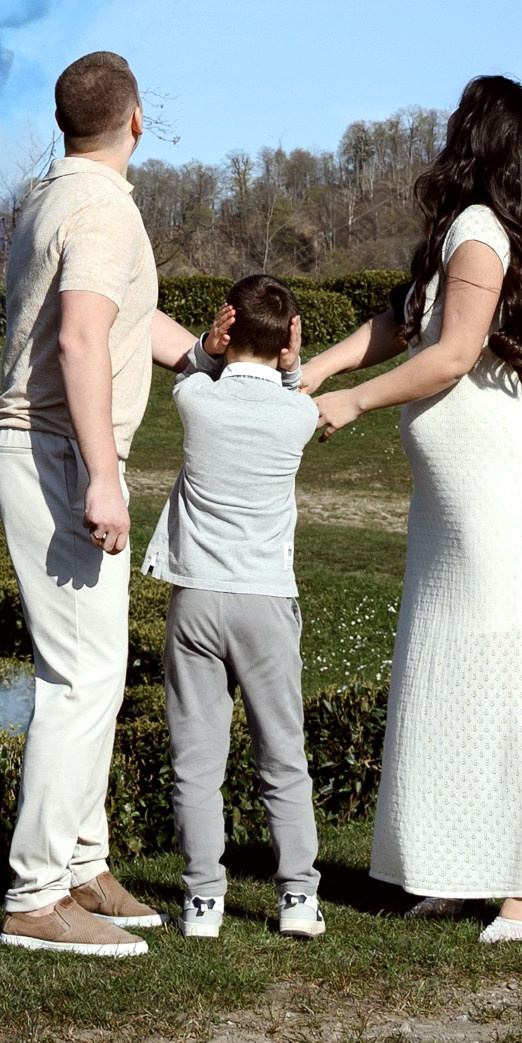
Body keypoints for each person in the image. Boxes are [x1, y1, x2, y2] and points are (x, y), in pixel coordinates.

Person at [299, 74, 522, 939]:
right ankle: (455, 864)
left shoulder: (481, 234)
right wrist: (320, 368)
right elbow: (404, 321)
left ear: (475, 136)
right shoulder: (458, 231)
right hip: (455, 497)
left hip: (498, 488)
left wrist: (354, 402)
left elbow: (453, 354)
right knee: (447, 667)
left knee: (507, 671)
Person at [0, 48, 203, 956]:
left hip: (47, 446)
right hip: (61, 450)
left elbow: (115, 320)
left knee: (95, 673)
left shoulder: (55, 197)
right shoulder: (105, 209)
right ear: (138, 120)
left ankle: (82, 866)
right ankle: (36, 896)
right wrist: (104, 475)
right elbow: (80, 340)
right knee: (79, 678)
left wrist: (206, 358)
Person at [142, 269, 325, 943]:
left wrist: (207, 347)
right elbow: (294, 388)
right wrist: (292, 363)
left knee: (196, 760)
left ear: (227, 324)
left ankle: (203, 902)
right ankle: (298, 896)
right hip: (266, 602)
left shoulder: (196, 398)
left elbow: (193, 366)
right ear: (289, 339)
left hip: (197, 597)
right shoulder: (299, 414)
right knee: (283, 754)